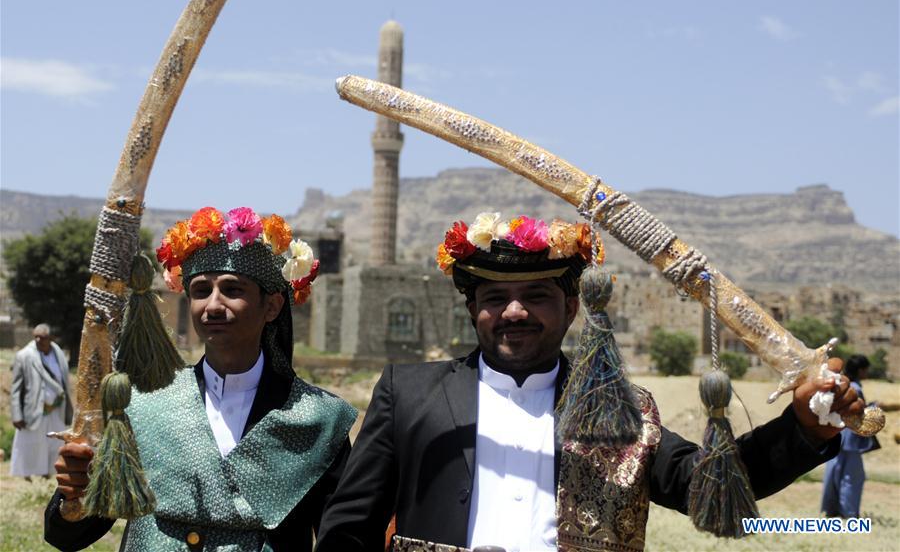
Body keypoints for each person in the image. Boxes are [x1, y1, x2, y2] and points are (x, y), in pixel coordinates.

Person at [315, 212, 863, 552]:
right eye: (494, 299)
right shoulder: (409, 394)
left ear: (573, 306)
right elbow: (349, 527)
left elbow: (710, 484)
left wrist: (805, 428)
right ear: (471, 309)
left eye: (536, 297)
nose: (514, 313)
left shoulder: (623, 412)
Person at [44, 207, 357, 552]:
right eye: (201, 290)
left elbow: (343, 538)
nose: (213, 305)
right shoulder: (144, 404)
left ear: (272, 306)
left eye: (232, 289)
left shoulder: (318, 420)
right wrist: (76, 492)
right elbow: (69, 536)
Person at [10, 323, 73, 480]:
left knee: (54, 443)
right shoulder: (24, 356)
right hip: (33, 410)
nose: (38, 340)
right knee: (31, 444)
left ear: (50, 338)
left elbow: (64, 382)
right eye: (36, 336)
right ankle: (27, 475)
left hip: (56, 409)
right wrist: (16, 414)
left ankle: (48, 474)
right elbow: (16, 388)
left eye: (43, 337)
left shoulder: (58, 354)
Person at [821, 354, 876, 518]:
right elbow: (857, 414)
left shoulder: (843, 385)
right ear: (861, 370)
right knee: (852, 477)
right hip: (850, 440)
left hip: (837, 436)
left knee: (834, 473)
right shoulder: (856, 389)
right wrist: (874, 408)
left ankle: (832, 509)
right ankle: (849, 512)